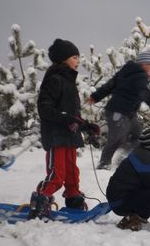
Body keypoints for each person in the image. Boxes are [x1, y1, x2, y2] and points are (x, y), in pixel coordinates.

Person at [28, 39, 100, 220]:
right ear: (62, 59)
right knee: (57, 173)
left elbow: (72, 115)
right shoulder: (54, 79)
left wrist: (86, 126)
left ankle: (73, 197)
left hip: (69, 136)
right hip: (56, 136)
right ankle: (40, 200)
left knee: (72, 172)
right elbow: (45, 109)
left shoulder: (69, 82)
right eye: (74, 57)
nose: (78, 61)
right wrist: (67, 119)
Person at [88, 51, 150, 169]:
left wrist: (95, 97)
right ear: (144, 64)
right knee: (116, 138)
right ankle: (104, 163)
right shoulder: (140, 75)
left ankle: (122, 157)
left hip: (128, 113)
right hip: (117, 112)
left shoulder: (126, 72)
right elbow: (145, 94)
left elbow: (109, 85)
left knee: (138, 135)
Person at [106, 127, 150, 231]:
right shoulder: (147, 162)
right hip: (120, 201)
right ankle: (132, 219)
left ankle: (134, 215)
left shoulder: (141, 155)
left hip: (118, 198)